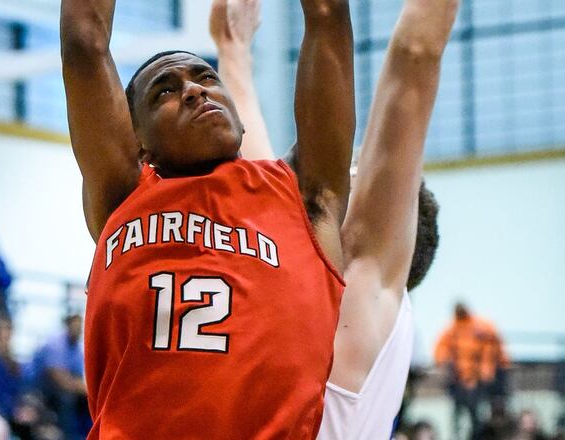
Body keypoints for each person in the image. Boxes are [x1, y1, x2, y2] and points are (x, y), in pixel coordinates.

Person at [61, 0, 355, 437]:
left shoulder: (304, 194)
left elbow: (328, 16)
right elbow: (84, 42)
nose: (196, 91)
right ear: (138, 141)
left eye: (207, 78)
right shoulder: (121, 195)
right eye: (165, 90)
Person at [209, 0, 456, 437]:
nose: (332, 187)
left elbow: (415, 55)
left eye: (350, 183)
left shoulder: (362, 283)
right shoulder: (325, 291)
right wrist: (233, 52)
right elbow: (264, 176)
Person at [434, 302, 510, 439]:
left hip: (481, 381)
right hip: (460, 382)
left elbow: (494, 349)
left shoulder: (482, 326)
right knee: (460, 413)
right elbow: (441, 349)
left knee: (478, 413)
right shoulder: (453, 328)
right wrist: (443, 362)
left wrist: (489, 371)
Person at [30, 314, 89, 440]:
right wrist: (82, 388)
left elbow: (78, 377)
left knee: (87, 400)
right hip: (39, 388)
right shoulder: (55, 343)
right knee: (66, 399)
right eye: (75, 325)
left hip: (63, 387)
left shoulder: (77, 348)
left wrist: (86, 391)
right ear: (67, 325)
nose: (78, 329)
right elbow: (57, 377)